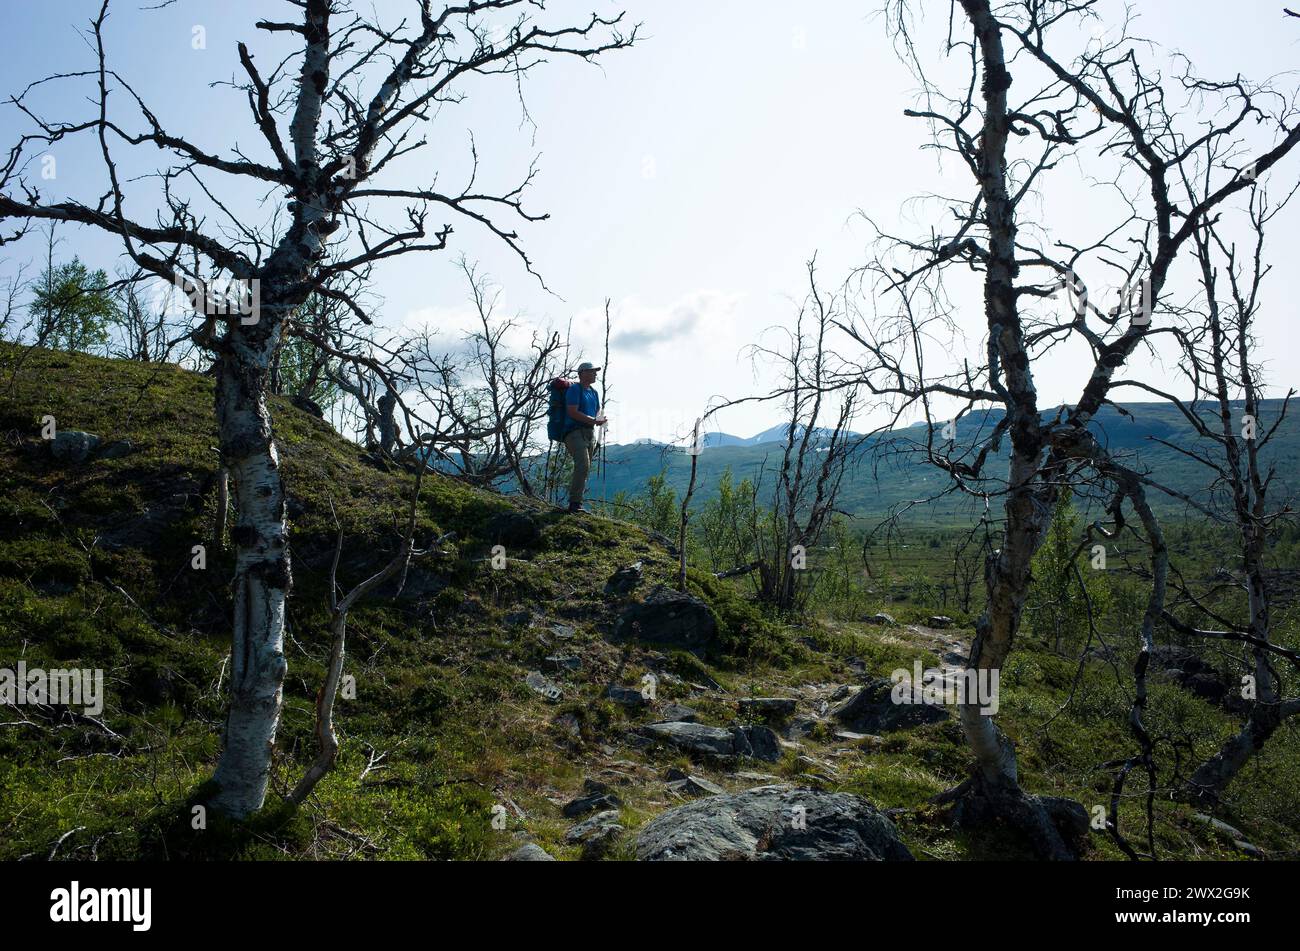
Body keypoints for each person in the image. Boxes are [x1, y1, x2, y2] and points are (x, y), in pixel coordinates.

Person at [563, 361, 606, 512]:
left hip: (589, 433)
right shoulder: (575, 389)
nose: (595, 374)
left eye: (595, 371)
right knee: (583, 465)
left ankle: (576, 502)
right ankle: (574, 504)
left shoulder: (594, 392)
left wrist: (600, 420)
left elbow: (596, 412)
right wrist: (594, 420)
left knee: (585, 468)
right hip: (574, 432)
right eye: (592, 371)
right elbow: (572, 412)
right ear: (582, 373)